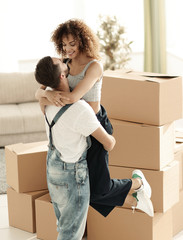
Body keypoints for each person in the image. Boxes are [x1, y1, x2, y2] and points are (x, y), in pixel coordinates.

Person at [35, 19, 154, 218]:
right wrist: (45, 95)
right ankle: (134, 199)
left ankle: (137, 183)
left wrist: (48, 96)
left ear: (82, 41)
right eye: (64, 45)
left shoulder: (94, 66)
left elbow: (73, 97)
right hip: (76, 127)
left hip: (94, 124)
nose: (68, 49)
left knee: (97, 189)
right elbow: (37, 93)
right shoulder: (64, 64)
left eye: (72, 44)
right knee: (85, 188)